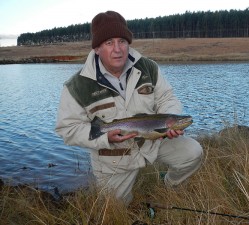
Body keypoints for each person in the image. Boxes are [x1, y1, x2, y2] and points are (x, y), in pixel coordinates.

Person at [55, 10, 203, 205]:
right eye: (109, 43)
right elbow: (67, 129)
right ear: (97, 48)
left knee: (193, 153)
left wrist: (171, 120)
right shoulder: (77, 86)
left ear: (128, 43)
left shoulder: (148, 68)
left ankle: (169, 187)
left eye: (122, 41)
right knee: (116, 208)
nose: (118, 49)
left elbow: (166, 97)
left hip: (154, 141)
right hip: (114, 156)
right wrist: (104, 136)